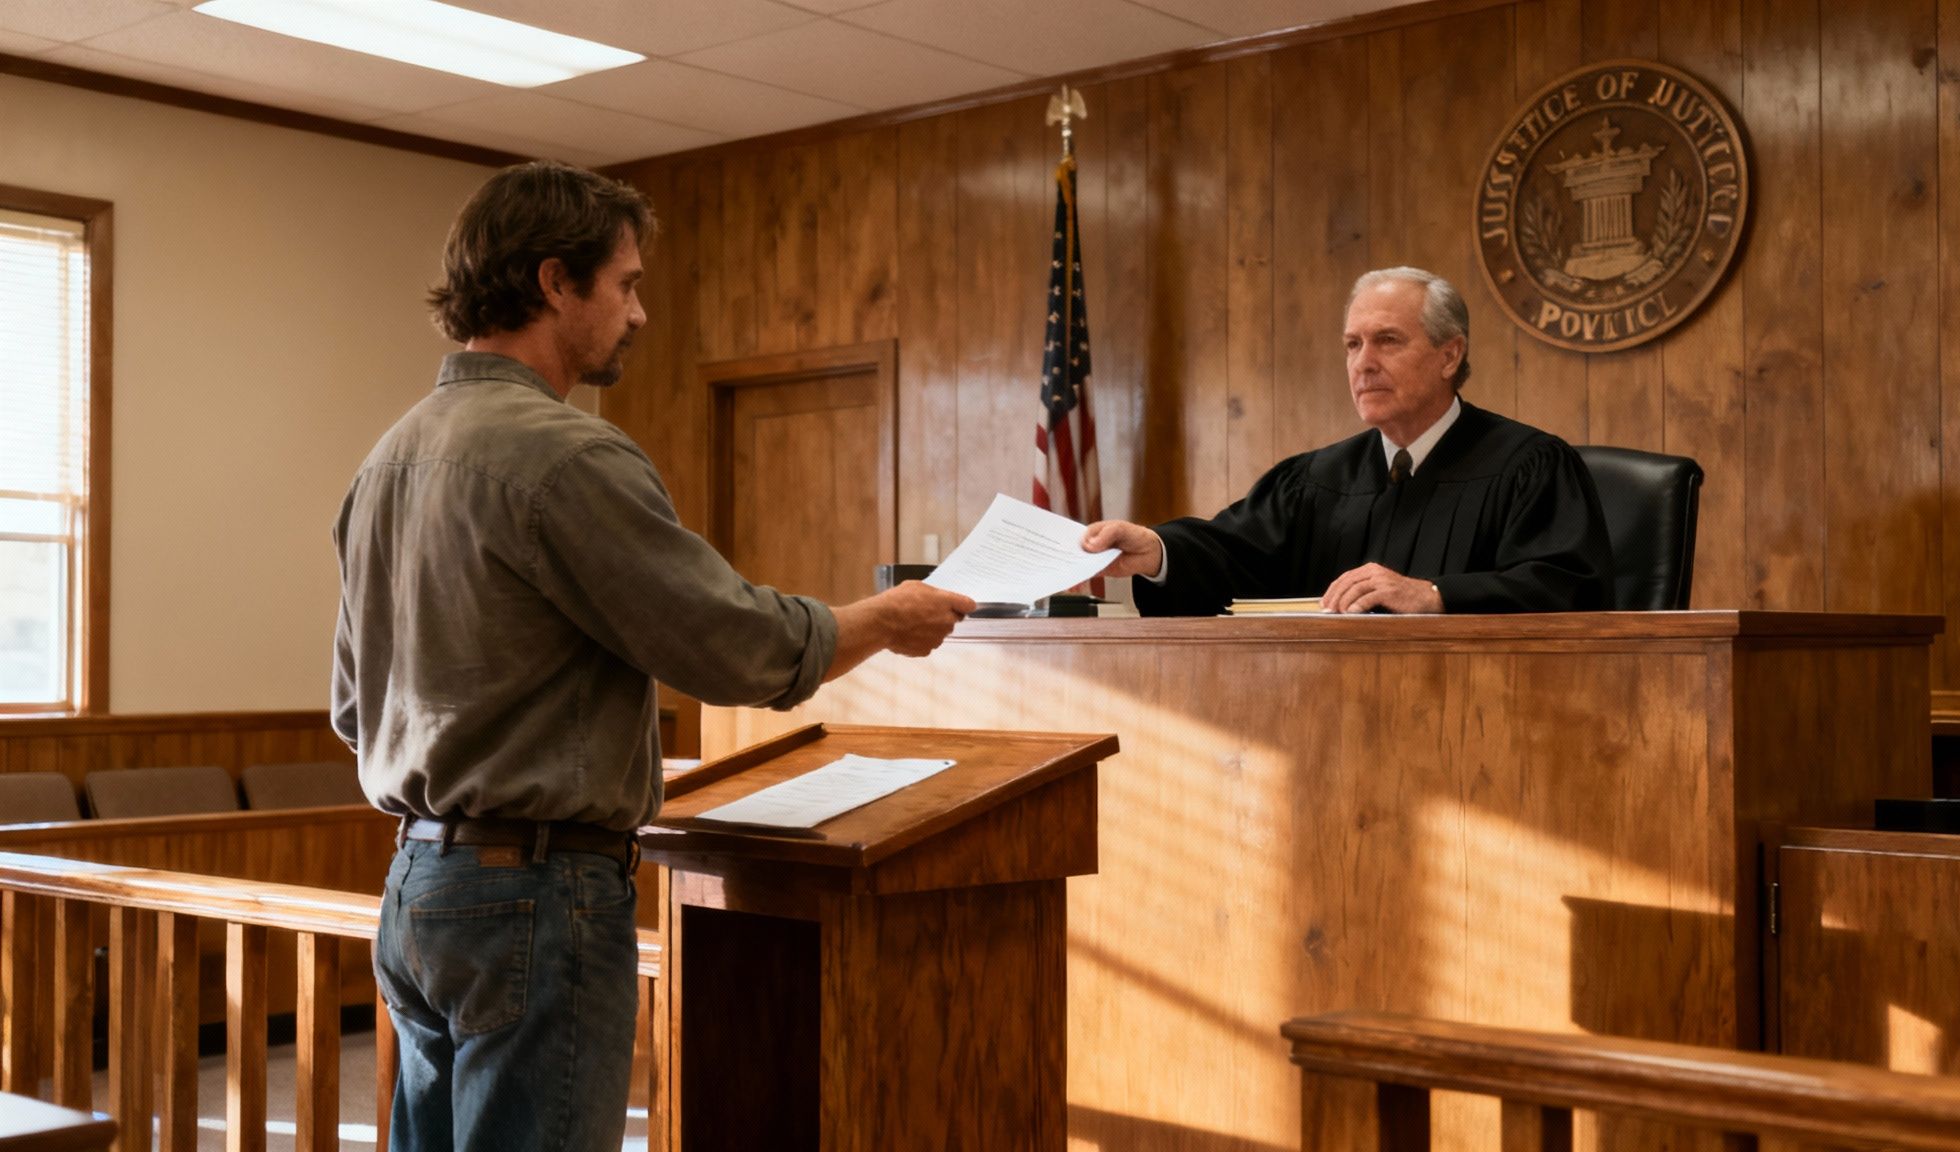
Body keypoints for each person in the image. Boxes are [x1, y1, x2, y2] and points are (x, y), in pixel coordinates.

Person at [330, 161, 975, 1152]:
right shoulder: (567, 453)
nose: (637, 313)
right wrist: (882, 619)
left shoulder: (391, 457)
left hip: (416, 889)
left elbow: (349, 705)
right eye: (624, 285)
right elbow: (735, 645)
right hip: (538, 895)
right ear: (556, 282)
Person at [1082, 266, 1613, 615]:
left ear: (1450, 355)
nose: (1363, 364)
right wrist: (1159, 550)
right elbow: (1236, 553)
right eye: (1352, 345)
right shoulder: (1313, 481)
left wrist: (1434, 595)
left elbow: (1569, 590)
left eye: (1387, 341)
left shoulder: (1530, 467)